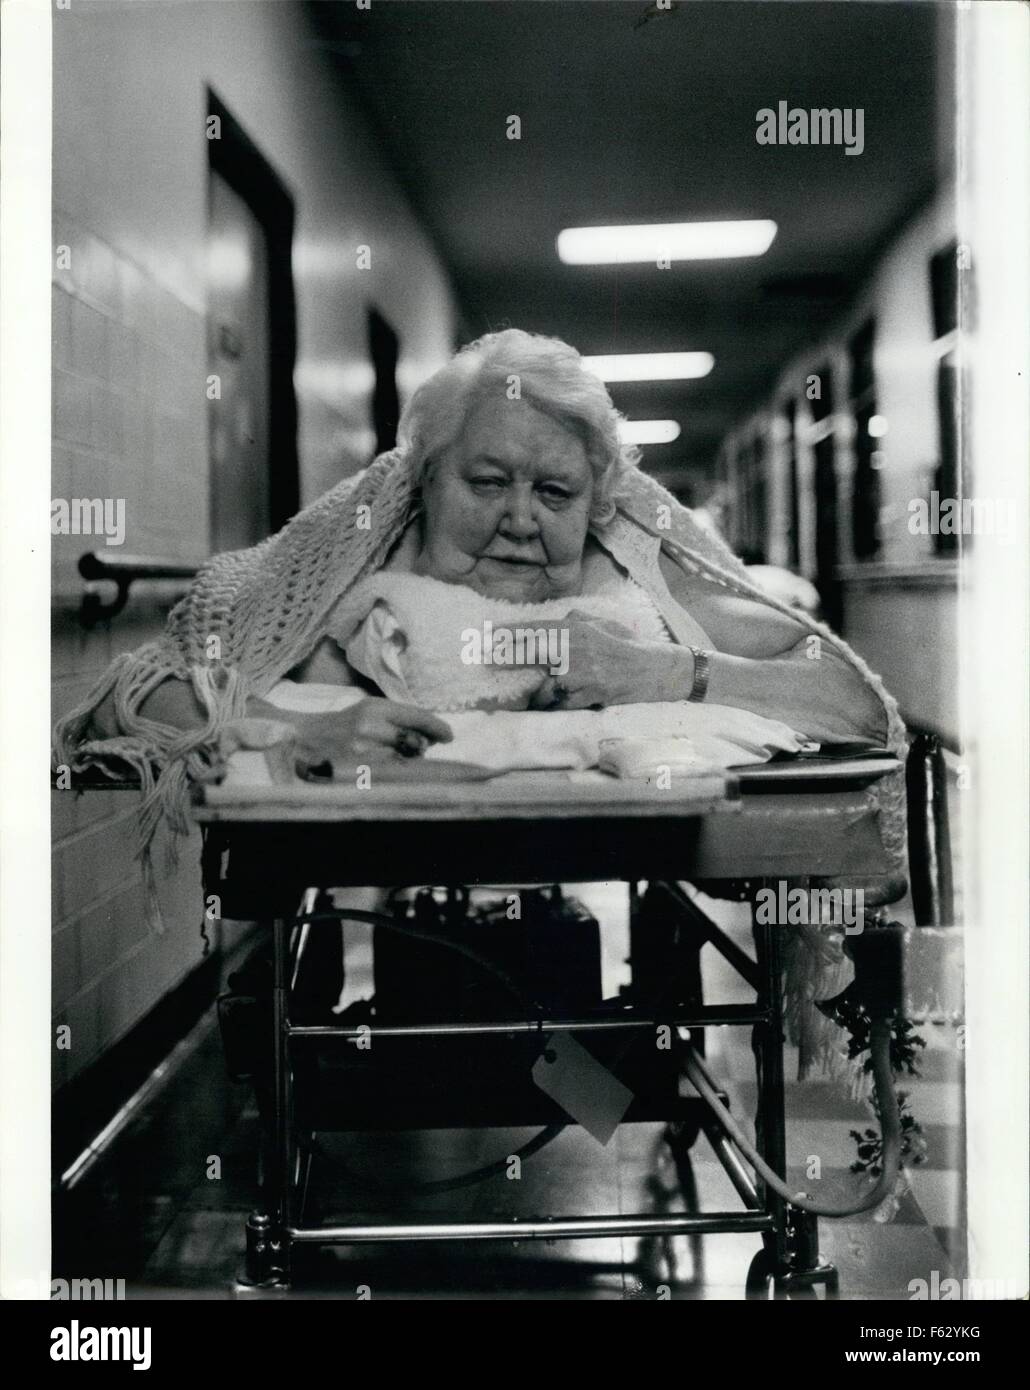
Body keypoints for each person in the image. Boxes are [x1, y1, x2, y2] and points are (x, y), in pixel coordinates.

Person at [56, 329, 900, 833]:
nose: (523, 520)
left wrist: (672, 670)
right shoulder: (353, 551)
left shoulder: (639, 568)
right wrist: (287, 733)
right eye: (488, 483)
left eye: (557, 493)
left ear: (599, 500)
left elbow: (858, 709)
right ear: (422, 479)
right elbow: (129, 697)